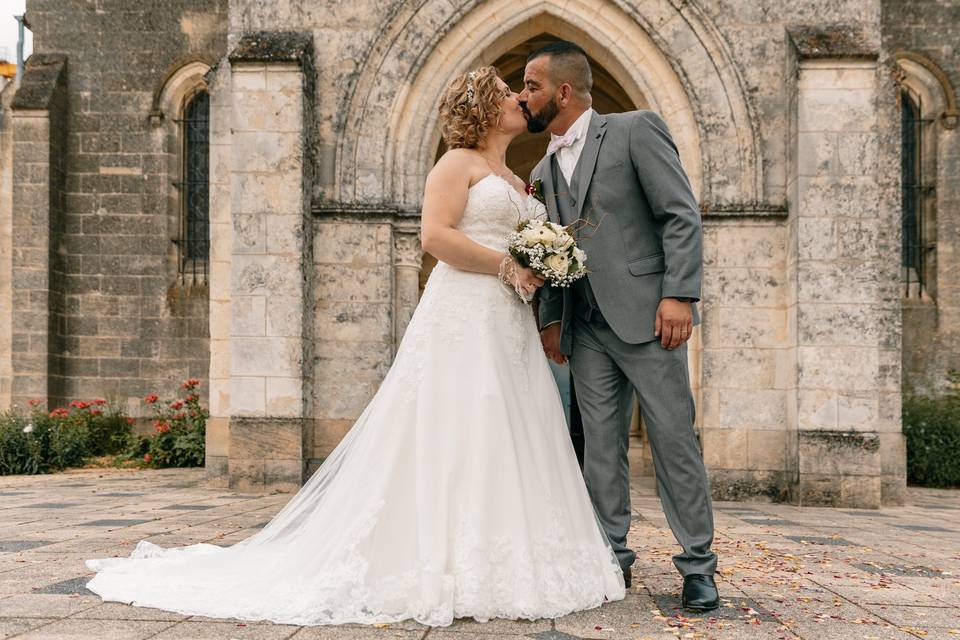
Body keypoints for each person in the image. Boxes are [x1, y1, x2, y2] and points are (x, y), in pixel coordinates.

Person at [82, 66, 625, 627]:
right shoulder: (455, 163)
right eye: (507, 94)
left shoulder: (516, 179)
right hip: (464, 307)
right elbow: (435, 237)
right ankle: (442, 557)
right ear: (486, 109)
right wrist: (508, 265)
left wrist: (540, 266)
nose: (518, 100)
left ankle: (515, 550)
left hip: (507, 318)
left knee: (512, 423)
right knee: (462, 419)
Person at [521, 40, 720, 611]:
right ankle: (612, 557)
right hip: (585, 330)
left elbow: (679, 213)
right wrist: (554, 322)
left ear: (562, 90)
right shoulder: (539, 170)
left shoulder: (635, 130)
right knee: (600, 450)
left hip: (652, 319)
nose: (523, 95)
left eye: (531, 85)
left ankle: (698, 566)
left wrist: (679, 295)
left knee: (674, 440)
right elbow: (552, 251)